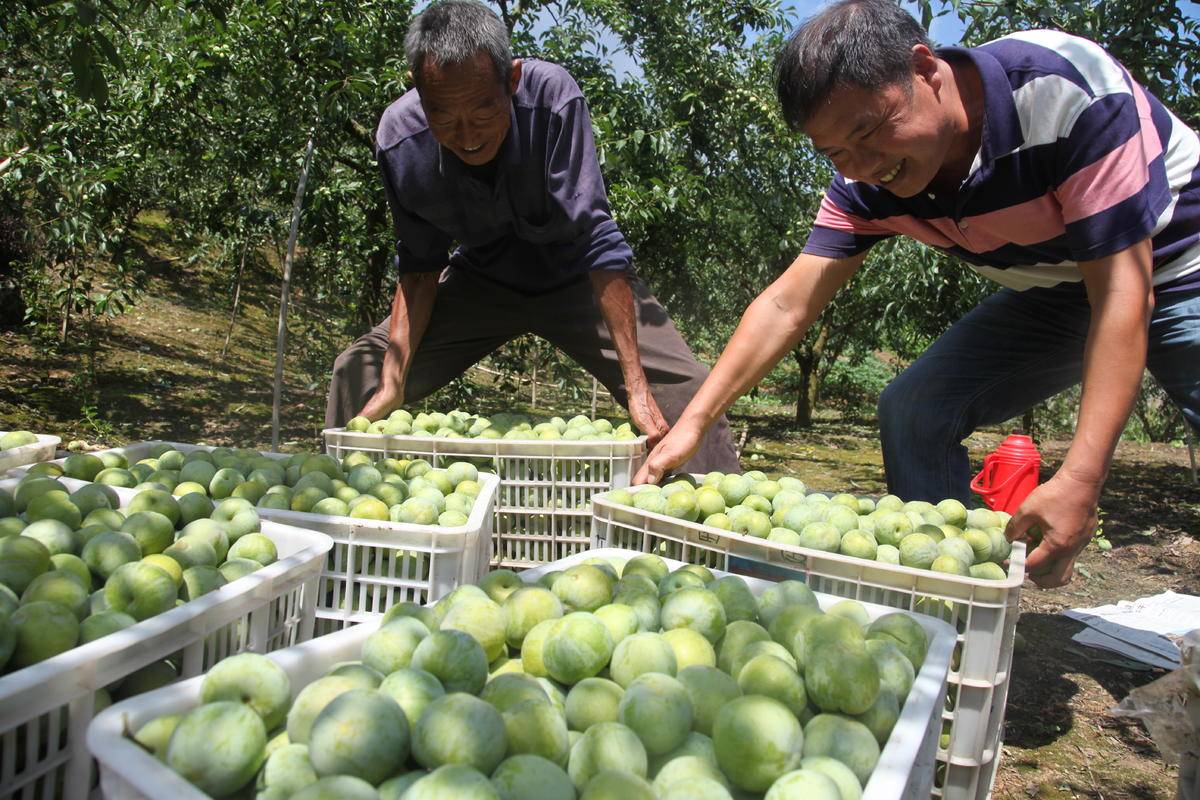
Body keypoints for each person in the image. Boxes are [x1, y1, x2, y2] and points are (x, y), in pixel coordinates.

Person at [635, 0, 1200, 588]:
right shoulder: (866, 182)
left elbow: (1121, 297)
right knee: (914, 410)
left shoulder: (1063, 92)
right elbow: (788, 302)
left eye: (869, 132)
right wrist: (695, 423)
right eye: (835, 153)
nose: (863, 166)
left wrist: (1080, 481)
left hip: (1174, 259)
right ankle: (949, 605)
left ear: (925, 69)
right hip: (1055, 287)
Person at [325, 0, 738, 473]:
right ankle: (350, 517)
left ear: (512, 79)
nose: (467, 135)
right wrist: (394, 379)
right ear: (418, 93)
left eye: (483, 111)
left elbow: (596, 239)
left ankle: (706, 535)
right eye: (444, 116)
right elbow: (419, 266)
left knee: (684, 388)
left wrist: (636, 386)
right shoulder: (400, 139)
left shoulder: (551, 96)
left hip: (576, 278)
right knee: (359, 372)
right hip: (479, 280)